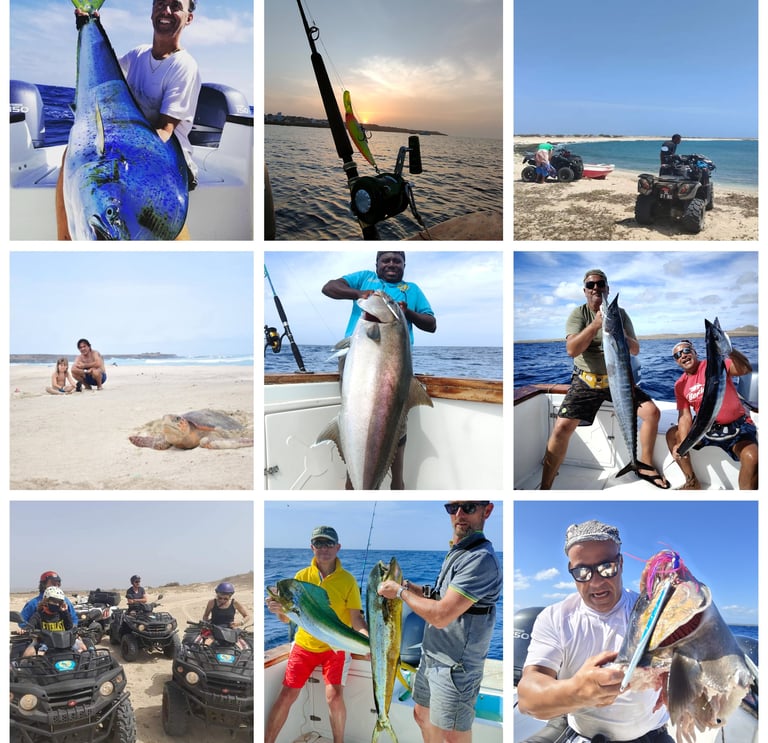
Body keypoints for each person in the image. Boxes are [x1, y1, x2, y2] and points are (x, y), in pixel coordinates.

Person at [517, 519, 674, 742]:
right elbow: (527, 699)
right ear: (571, 571)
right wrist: (578, 691)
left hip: (650, 734)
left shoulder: (654, 613)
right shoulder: (555, 618)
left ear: (620, 564)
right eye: (582, 572)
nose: (597, 582)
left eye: (606, 568)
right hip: (578, 729)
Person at [57, 0, 202, 240]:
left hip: (167, 165)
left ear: (188, 18)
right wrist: (89, 24)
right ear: (152, 11)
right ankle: (64, 239)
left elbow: (165, 131)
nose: (166, 11)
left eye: (175, 6)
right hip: (122, 151)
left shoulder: (184, 66)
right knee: (69, 155)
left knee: (161, 223)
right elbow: (104, 75)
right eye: (161, 4)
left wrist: (114, 154)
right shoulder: (138, 55)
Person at [377, 501, 501, 743]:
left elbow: (441, 615)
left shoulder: (480, 558)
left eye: (468, 507)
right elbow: (441, 595)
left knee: (452, 735)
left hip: (455, 666)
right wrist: (408, 587)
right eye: (452, 509)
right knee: (421, 714)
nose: (459, 514)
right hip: (431, 656)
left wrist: (400, 594)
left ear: (487, 511)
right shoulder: (458, 551)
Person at [539, 269, 669, 490]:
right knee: (561, 427)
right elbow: (571, 350)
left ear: (607, 288)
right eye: (591, 285)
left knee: (652, 413)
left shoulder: (620, 314)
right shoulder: (578, 315)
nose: (596, 288)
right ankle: (546, 484)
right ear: (585, 291)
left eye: (600, 284)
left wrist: (617, 329)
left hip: (618, 381)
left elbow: (635, 350)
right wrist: (596, 325)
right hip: (586, 381)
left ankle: (643, 464)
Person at [321, 252, 437, 489]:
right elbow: (329, 288)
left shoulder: (412, 289)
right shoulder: (364, 278)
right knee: (353, 414)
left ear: (404, 264)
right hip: (358, 360)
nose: (391, 264)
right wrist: (357, 294)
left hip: (397, 365)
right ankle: (353, 481)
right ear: (377, 265)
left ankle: (397, 482)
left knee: (397, 423)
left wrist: (407, 313)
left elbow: (431, 323)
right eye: (386, 260)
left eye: (397, 260)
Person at [265, 526, 369, 743]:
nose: (324, 548)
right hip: (305, 645)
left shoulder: (348, 580)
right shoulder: (301, 577)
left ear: (338, 547)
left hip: (335, 647)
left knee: (334, 696)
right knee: (287, 695)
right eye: (319, 544)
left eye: (329, 543)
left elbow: (356, 619)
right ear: (312, 547)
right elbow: (289, 619)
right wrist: (279, 612)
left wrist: (367, 641)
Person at [666, 339, 758, 490]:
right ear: (676, 362)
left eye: (686, 351)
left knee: (752, 457)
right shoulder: (680, 385)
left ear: (695, 352)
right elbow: (685, 416)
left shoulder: (715, 365)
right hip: (705, 429)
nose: (682, 355)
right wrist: (682, 444)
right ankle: (692, 482)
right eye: (677, 355)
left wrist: (728, 350)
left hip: (736, 427)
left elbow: (744, 369)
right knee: (672, 434)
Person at [22, 586, 88, 657]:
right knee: (28, 655)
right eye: (54, 601)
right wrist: (24, 630)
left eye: (59, 602)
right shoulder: (39, 615)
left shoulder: (62, 613)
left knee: (83, 649)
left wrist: (65, 612)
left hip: (65, 642)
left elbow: (69, 626)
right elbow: (30, 625)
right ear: (46, 600)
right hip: (45, 643)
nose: (56, 604)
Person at [200, 581, 251, 647]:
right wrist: (206, 624)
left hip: (230, 629)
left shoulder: (235, 603)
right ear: (217, 594)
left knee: (239, 645)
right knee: (208, 642)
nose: (222, 600)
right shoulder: (212, 602)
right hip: (214, 628)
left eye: (225, 599)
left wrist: (240, 623)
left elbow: (247, 616)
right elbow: (205, 616)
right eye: (220, 598)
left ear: (230, 596)